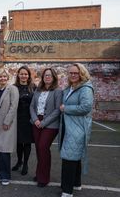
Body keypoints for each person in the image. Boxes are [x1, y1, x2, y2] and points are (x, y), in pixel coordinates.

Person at [59, 63, 94, 197]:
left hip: (78, 127)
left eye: (76, 73)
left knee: (69, 157)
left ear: (82, 74)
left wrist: (66, 109)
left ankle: (67, 191)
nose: (73, 75)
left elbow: (86, 107)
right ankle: (76, 183)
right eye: (71, 73)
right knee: (74, 155)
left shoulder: (85, 88)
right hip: (68, 126)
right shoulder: (70, 88)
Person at [30, 67, 62, 187]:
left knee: (43, 147)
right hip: (36, 122)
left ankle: (44, 178)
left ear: (53, 77)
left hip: (50, 124)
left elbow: (57, 110)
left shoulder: (58, 91)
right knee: (38, 149)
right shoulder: (38, 90)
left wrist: (43, 123)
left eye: (49, 75)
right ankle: (39, 174)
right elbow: (31, 107)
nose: (47, 77)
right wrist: (35, 120)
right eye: (45, 75)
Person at [0, 69, 19, 186]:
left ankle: (5, 175)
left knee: (5, 149)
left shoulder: (12, 89)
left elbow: (14, 106)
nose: (2, 78)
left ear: (7, 78)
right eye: (0, 77)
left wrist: (7, 121)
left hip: (7, 122)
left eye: (4, 76)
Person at [12, 66, 36, 175]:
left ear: (28, 76)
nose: (23, 76)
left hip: (29, 119)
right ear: (18, 75)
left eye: (26, 74)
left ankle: (25, 164)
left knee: (26, 143)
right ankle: (19, 161)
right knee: (18, 143)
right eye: (21, 74)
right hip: (17, 119)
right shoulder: (13, 87)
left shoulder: (33, 87)